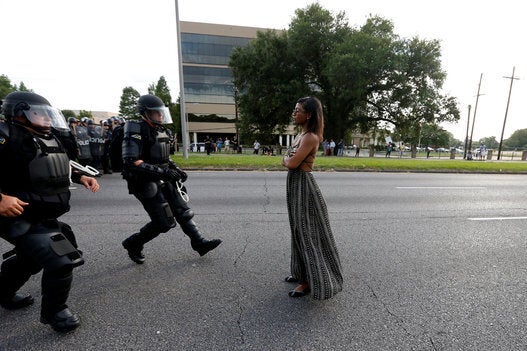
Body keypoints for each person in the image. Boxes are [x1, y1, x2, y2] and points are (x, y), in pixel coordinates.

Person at [0, 91, 99, 333]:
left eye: (47, 114)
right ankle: (56, 313)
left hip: (39, 213)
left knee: (31, 259)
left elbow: (51, 165)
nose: (45, 119)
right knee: (61, 259)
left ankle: (4, 293)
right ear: (20, 115)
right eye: (38, 113)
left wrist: (80, 176)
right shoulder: (5, 136)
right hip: (14, 214)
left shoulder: (44, 138)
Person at [121, 95, 222, 264]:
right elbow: (131, 161)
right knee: (163, 223)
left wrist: (177, 170)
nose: (160, 116)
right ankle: (133, 243)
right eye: (156, 113)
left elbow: (165, 158)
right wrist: (164, 172)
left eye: (161, 113)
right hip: (144, 182)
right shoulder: (135, 128)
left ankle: (199, 243)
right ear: (145, 113)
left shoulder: (160, 130)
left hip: (162, 177)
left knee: (183, 212)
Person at [281, 96, 343, 300]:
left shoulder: (310, 138)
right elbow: (290, 159)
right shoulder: (301, 135)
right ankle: (300, 272)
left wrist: (286, 158)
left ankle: (310, 281)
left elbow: (291, 163)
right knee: (297, 230)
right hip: (295, 185)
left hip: (304, 187)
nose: (294, 113)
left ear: (308, 114)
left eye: (297, 110)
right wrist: (288, 158)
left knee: (308, 234)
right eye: (294, 109)